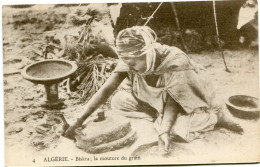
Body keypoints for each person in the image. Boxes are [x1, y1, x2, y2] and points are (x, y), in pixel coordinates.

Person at [65, 26, 243, 152]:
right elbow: (106, 90)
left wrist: (164, 131)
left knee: (176, 129)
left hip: (185, 101)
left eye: (134, 63)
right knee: (118, 101)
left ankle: (216, 117)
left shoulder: (175, 62)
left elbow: (174, 102)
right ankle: (157, 116)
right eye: (127, 62)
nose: (131, 68)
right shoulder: (132, 58)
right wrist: (79, 121)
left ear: (147, 55)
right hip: (157, 102)